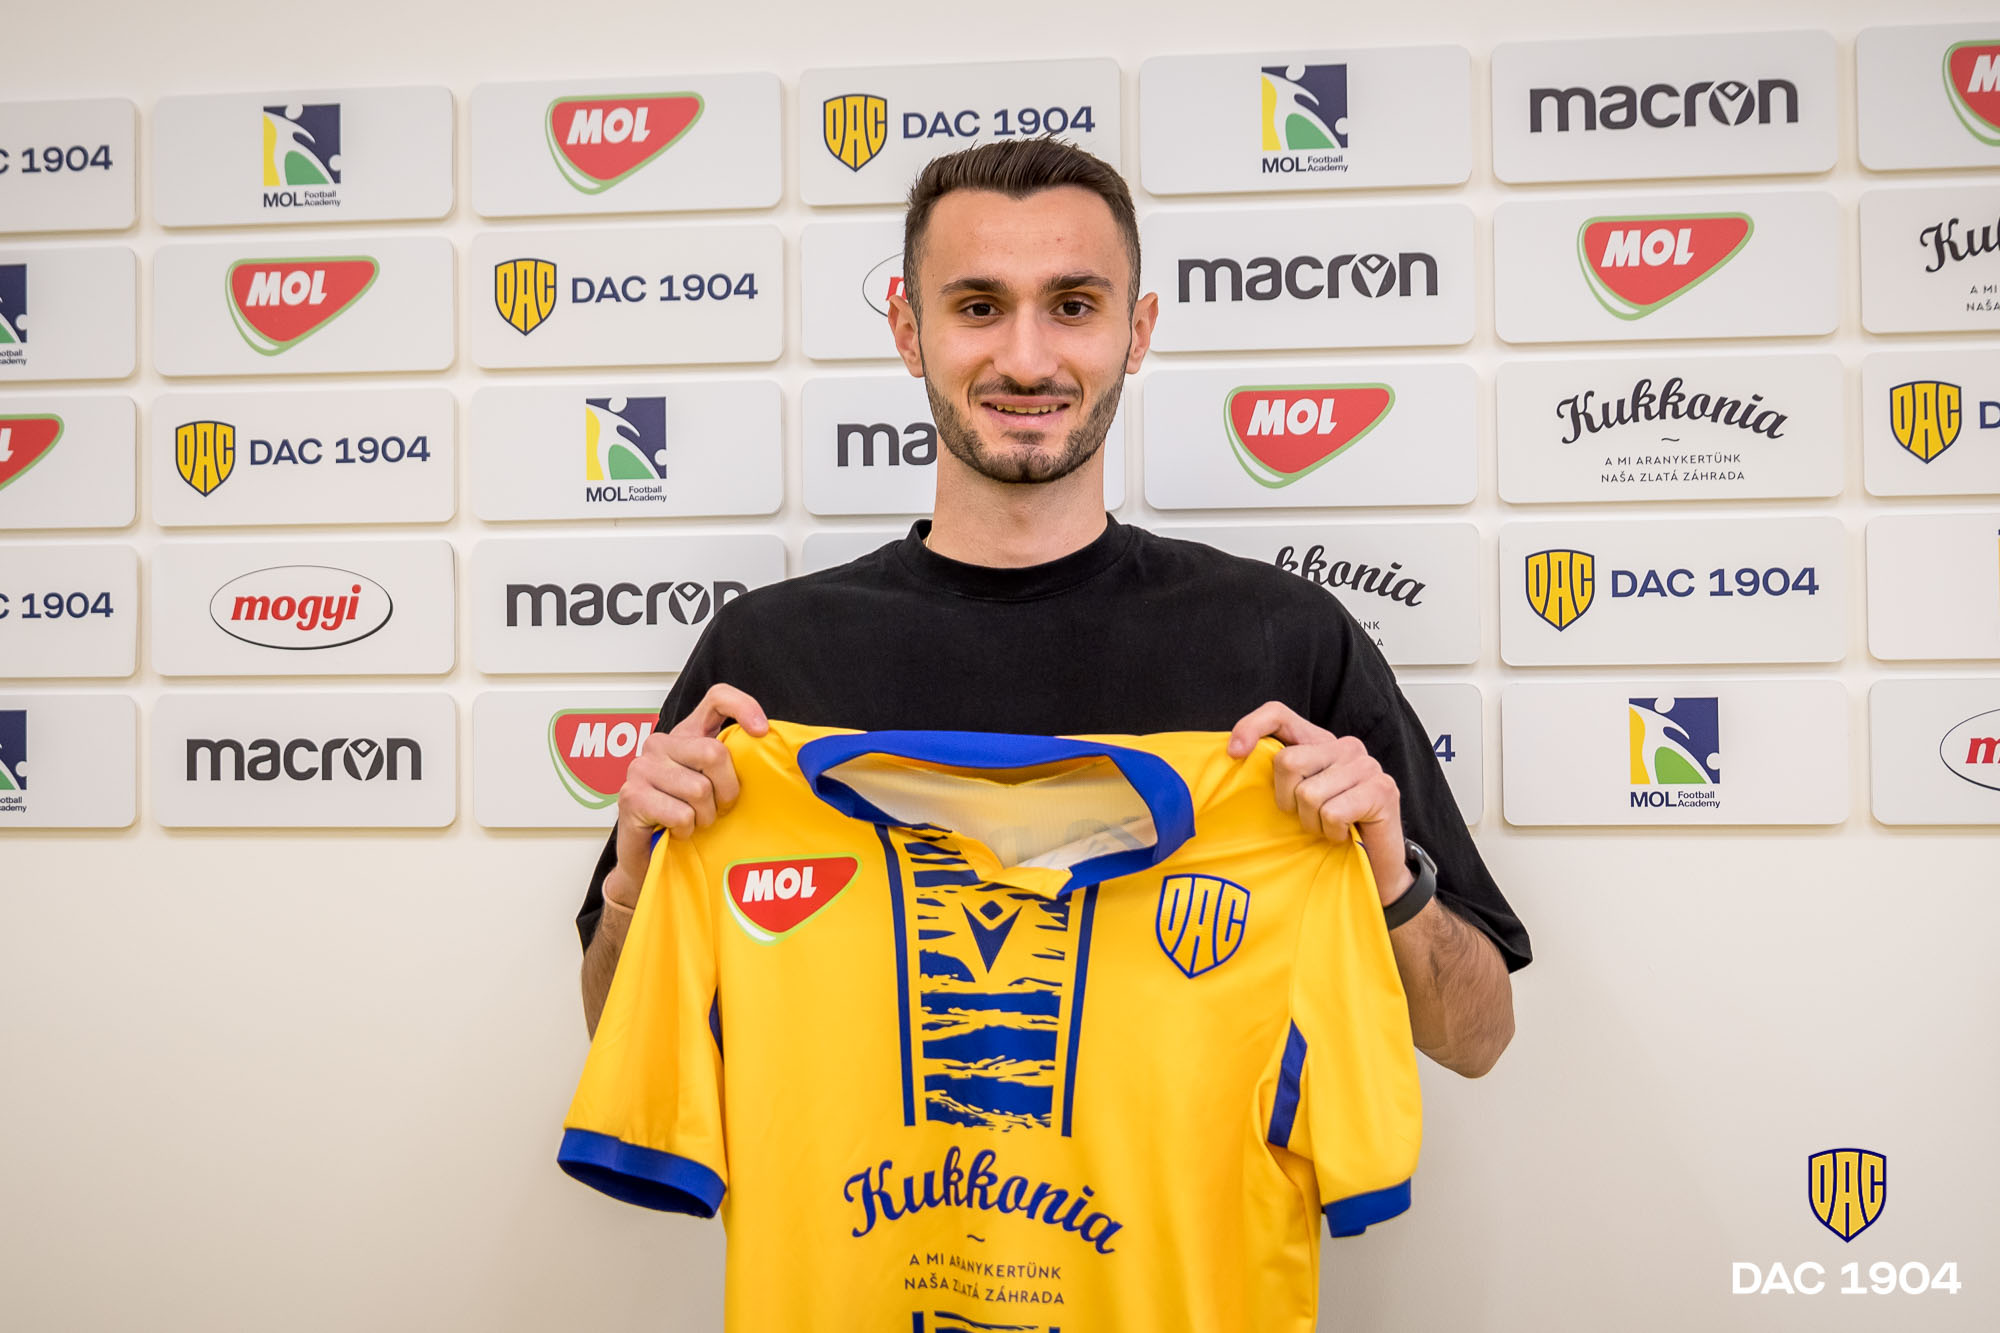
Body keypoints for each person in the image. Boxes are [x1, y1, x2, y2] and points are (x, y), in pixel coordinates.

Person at [575, 137, 1530, 1077]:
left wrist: (1389, 877)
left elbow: (1477, 1038)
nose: (1026, 360)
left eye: (1073, 306)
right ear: (908, 331)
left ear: (1137, 331)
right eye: (978, 307)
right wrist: (632, 886)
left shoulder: (1284, 639)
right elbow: (623, 1032)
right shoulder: (765, 659)